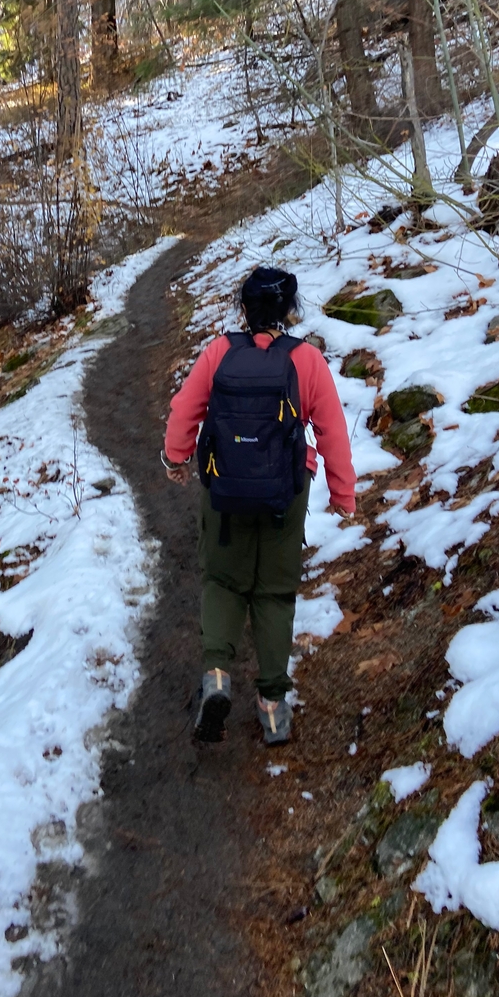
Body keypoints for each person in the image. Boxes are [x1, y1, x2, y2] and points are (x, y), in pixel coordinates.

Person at [163, 266, 356, 745]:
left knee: (223, 580)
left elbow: (185, 409)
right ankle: (271, 705)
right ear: (289, 312)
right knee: (273, 592)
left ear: (243, 310)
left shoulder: (220, 353)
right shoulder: (306, 360)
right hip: (285, 493)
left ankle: (217, 677)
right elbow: (332, 430)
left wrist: (175, 457)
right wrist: (342, 493)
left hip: (223, 489)